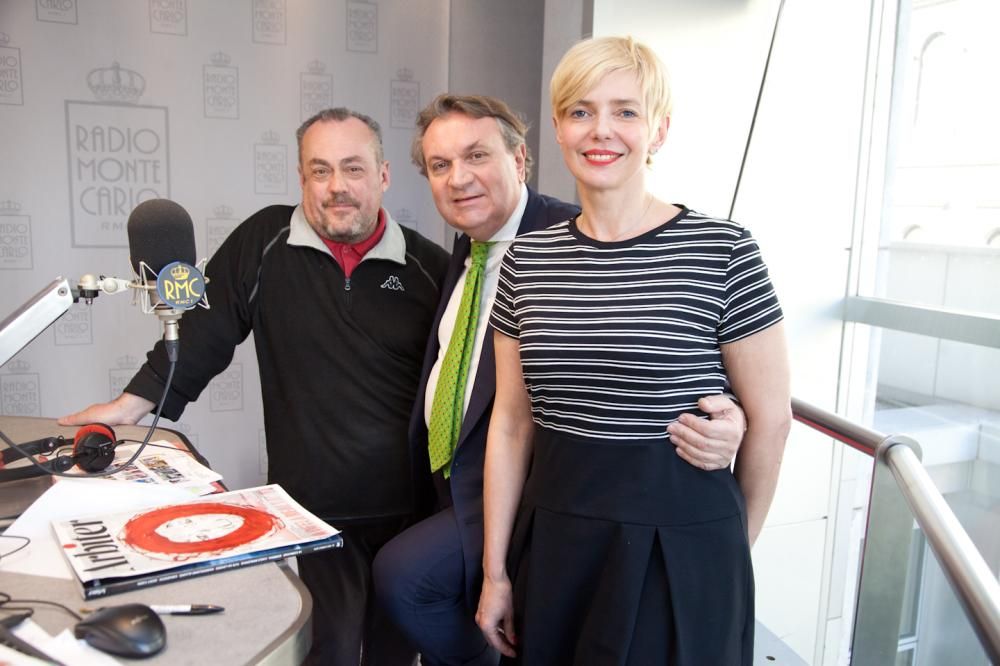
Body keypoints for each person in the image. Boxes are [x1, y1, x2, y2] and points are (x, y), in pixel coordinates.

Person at [59, 108, 450, 665]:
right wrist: (129, 406)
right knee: (332, 649)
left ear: (383, 175)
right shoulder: (264, 242)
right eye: (320, 170)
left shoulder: (431, 267)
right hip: (316, 508)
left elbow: (460, 387)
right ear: (301, 177)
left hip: (409, 508)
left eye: (353, 168)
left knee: (395, 653)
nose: (337, 186)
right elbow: (204, 333)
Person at [372, 94, 750, 666]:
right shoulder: (469, 247)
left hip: (562, 500)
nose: (458, 178)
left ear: (520, 159)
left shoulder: (570, 237)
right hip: (467, 485)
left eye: (476, 155)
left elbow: (653, 345)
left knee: (405, 579)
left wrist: (734, 417)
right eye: (440, 165)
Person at [475, 37, 792, 665]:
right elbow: (511, 424)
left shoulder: (723, 249)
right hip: (557, 537)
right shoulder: (527, 260)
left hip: (681, 546)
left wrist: (730, 550)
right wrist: (495, 573)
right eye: (581, 111)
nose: (602, 130)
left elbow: (772, 420)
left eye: (626, 111)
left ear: (659, 130)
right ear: (559, 129)